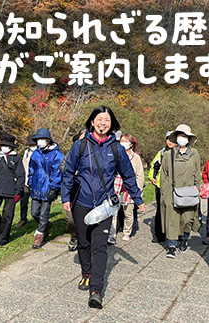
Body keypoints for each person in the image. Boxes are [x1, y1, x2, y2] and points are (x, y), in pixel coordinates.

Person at [61, 106, 145, 309]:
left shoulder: (116, 149)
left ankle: (96, 289)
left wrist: (138, 199)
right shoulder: (80, 146)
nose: (102, 123)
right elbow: (68, 173)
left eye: (106, 120)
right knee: (83, 242)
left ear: (111, 124)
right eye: (99, 119)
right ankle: (87, 273)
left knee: (100, 246)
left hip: (105, 205)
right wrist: (65, 197)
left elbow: (128, 175)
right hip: (81, 202)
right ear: (92, 122)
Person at [160, 124, 202, 259]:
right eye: (179, 135)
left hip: (189, 192)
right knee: (172, 219)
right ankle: (171, 245)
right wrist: (165, 194)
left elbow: (197, 172)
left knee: (187, 219)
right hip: (172, 191)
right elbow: (164, 175)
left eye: (184, 136)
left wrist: (198, 188)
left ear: (188, 138)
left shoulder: (195, 154)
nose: (182, 138)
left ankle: (183, 239)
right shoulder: (168, 154)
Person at [28, 128, 64, 249]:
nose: (40, 141)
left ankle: (39, 237)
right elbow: (31, 169)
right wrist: (29, 183)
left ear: (48, 140)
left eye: (42, 139)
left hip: (48, 187)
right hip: (36, 187)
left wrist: (54, 188)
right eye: (38, 139)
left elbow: (57, 172)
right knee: (34, 213)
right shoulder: (35, 154)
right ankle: (46, 225)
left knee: (44, 213)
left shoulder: (57, 154)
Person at [109, 133, 145, 243]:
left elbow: (140, 175)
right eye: (122, 141)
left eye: (126, 141)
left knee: (128, 213)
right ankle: (112, 234)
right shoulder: (115, 155)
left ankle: (127, 232)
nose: (123, 143)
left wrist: (137, 190)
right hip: (116, 186)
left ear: (131, 143)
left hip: (129, 188)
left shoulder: (136, 158)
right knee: (113, 212)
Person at [149, 131, 176, 243]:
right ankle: (159, 235)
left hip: (175, 187)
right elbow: (154, 165)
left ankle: (174, 235)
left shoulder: (180, 152)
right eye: (168, 139)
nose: (170, 142)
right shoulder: (161, 153)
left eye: (172, 139)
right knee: (160, 211)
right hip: (161, 186)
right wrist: (152, 177)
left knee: (174, 212)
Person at [64, 129, 86, 251]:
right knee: (71, 219)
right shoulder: (72, 152)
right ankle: (74, 236)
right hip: (73, 190)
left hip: (89, 192)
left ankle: (86, 239)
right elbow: (63, 166)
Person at [16, 134, 36, 228]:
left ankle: (39, 218)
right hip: (26, 181)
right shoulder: (27, 152)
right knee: (23, 201)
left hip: (36, 182)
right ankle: (23, 219)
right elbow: (23, 165)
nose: (31, 146)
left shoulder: (40, 152)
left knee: (36, 202)